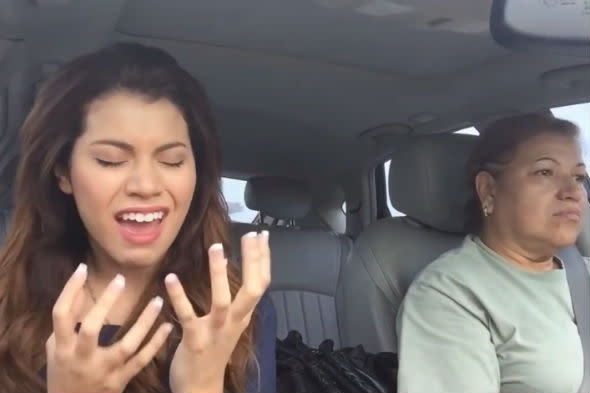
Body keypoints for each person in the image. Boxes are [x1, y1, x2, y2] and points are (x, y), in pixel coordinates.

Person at [0, 42, 276, 393]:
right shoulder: (8, 304)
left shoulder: (232, 312)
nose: (146, 186)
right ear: (62, 172)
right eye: (111, 160)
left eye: (172, 161)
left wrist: (201, 385)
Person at [396, 113, 588, 393]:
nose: (573, 191)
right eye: (545, 172)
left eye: (579, 177)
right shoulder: (449, 293)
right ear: (488, 190)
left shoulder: (584, 272)